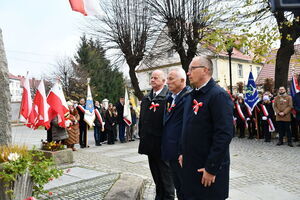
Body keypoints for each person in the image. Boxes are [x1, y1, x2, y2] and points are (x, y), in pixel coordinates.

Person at [181, 56, 233, 200]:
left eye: (192, 68)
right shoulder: (191, 96)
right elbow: (189, 128)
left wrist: (211, 168)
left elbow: (224, 135)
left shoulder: (218, 95)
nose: (188, 73)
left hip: (207, 170)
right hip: (192, 165)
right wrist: (183, 152)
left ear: (205, 70)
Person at [138, 70, 175, 200]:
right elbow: (142, 119)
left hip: (163, 144)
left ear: (164, 81)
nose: (152, 80)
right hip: (149, 143)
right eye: (151, 77)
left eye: (156, 78)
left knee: (166, 175)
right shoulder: (147, 97)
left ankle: (169, 197)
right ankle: (159, 196)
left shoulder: (169, 97)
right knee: (155, 173)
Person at [161, 68, 191, 200]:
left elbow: (188, 127)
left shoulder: (188, 98)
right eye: (167, 79)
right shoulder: (170, 98)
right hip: (171, 151)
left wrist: (183, 151)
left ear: (183, 80)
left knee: (186, 189)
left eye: (171, 79)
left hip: (181, 153)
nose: (167, 82)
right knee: (178, 188)